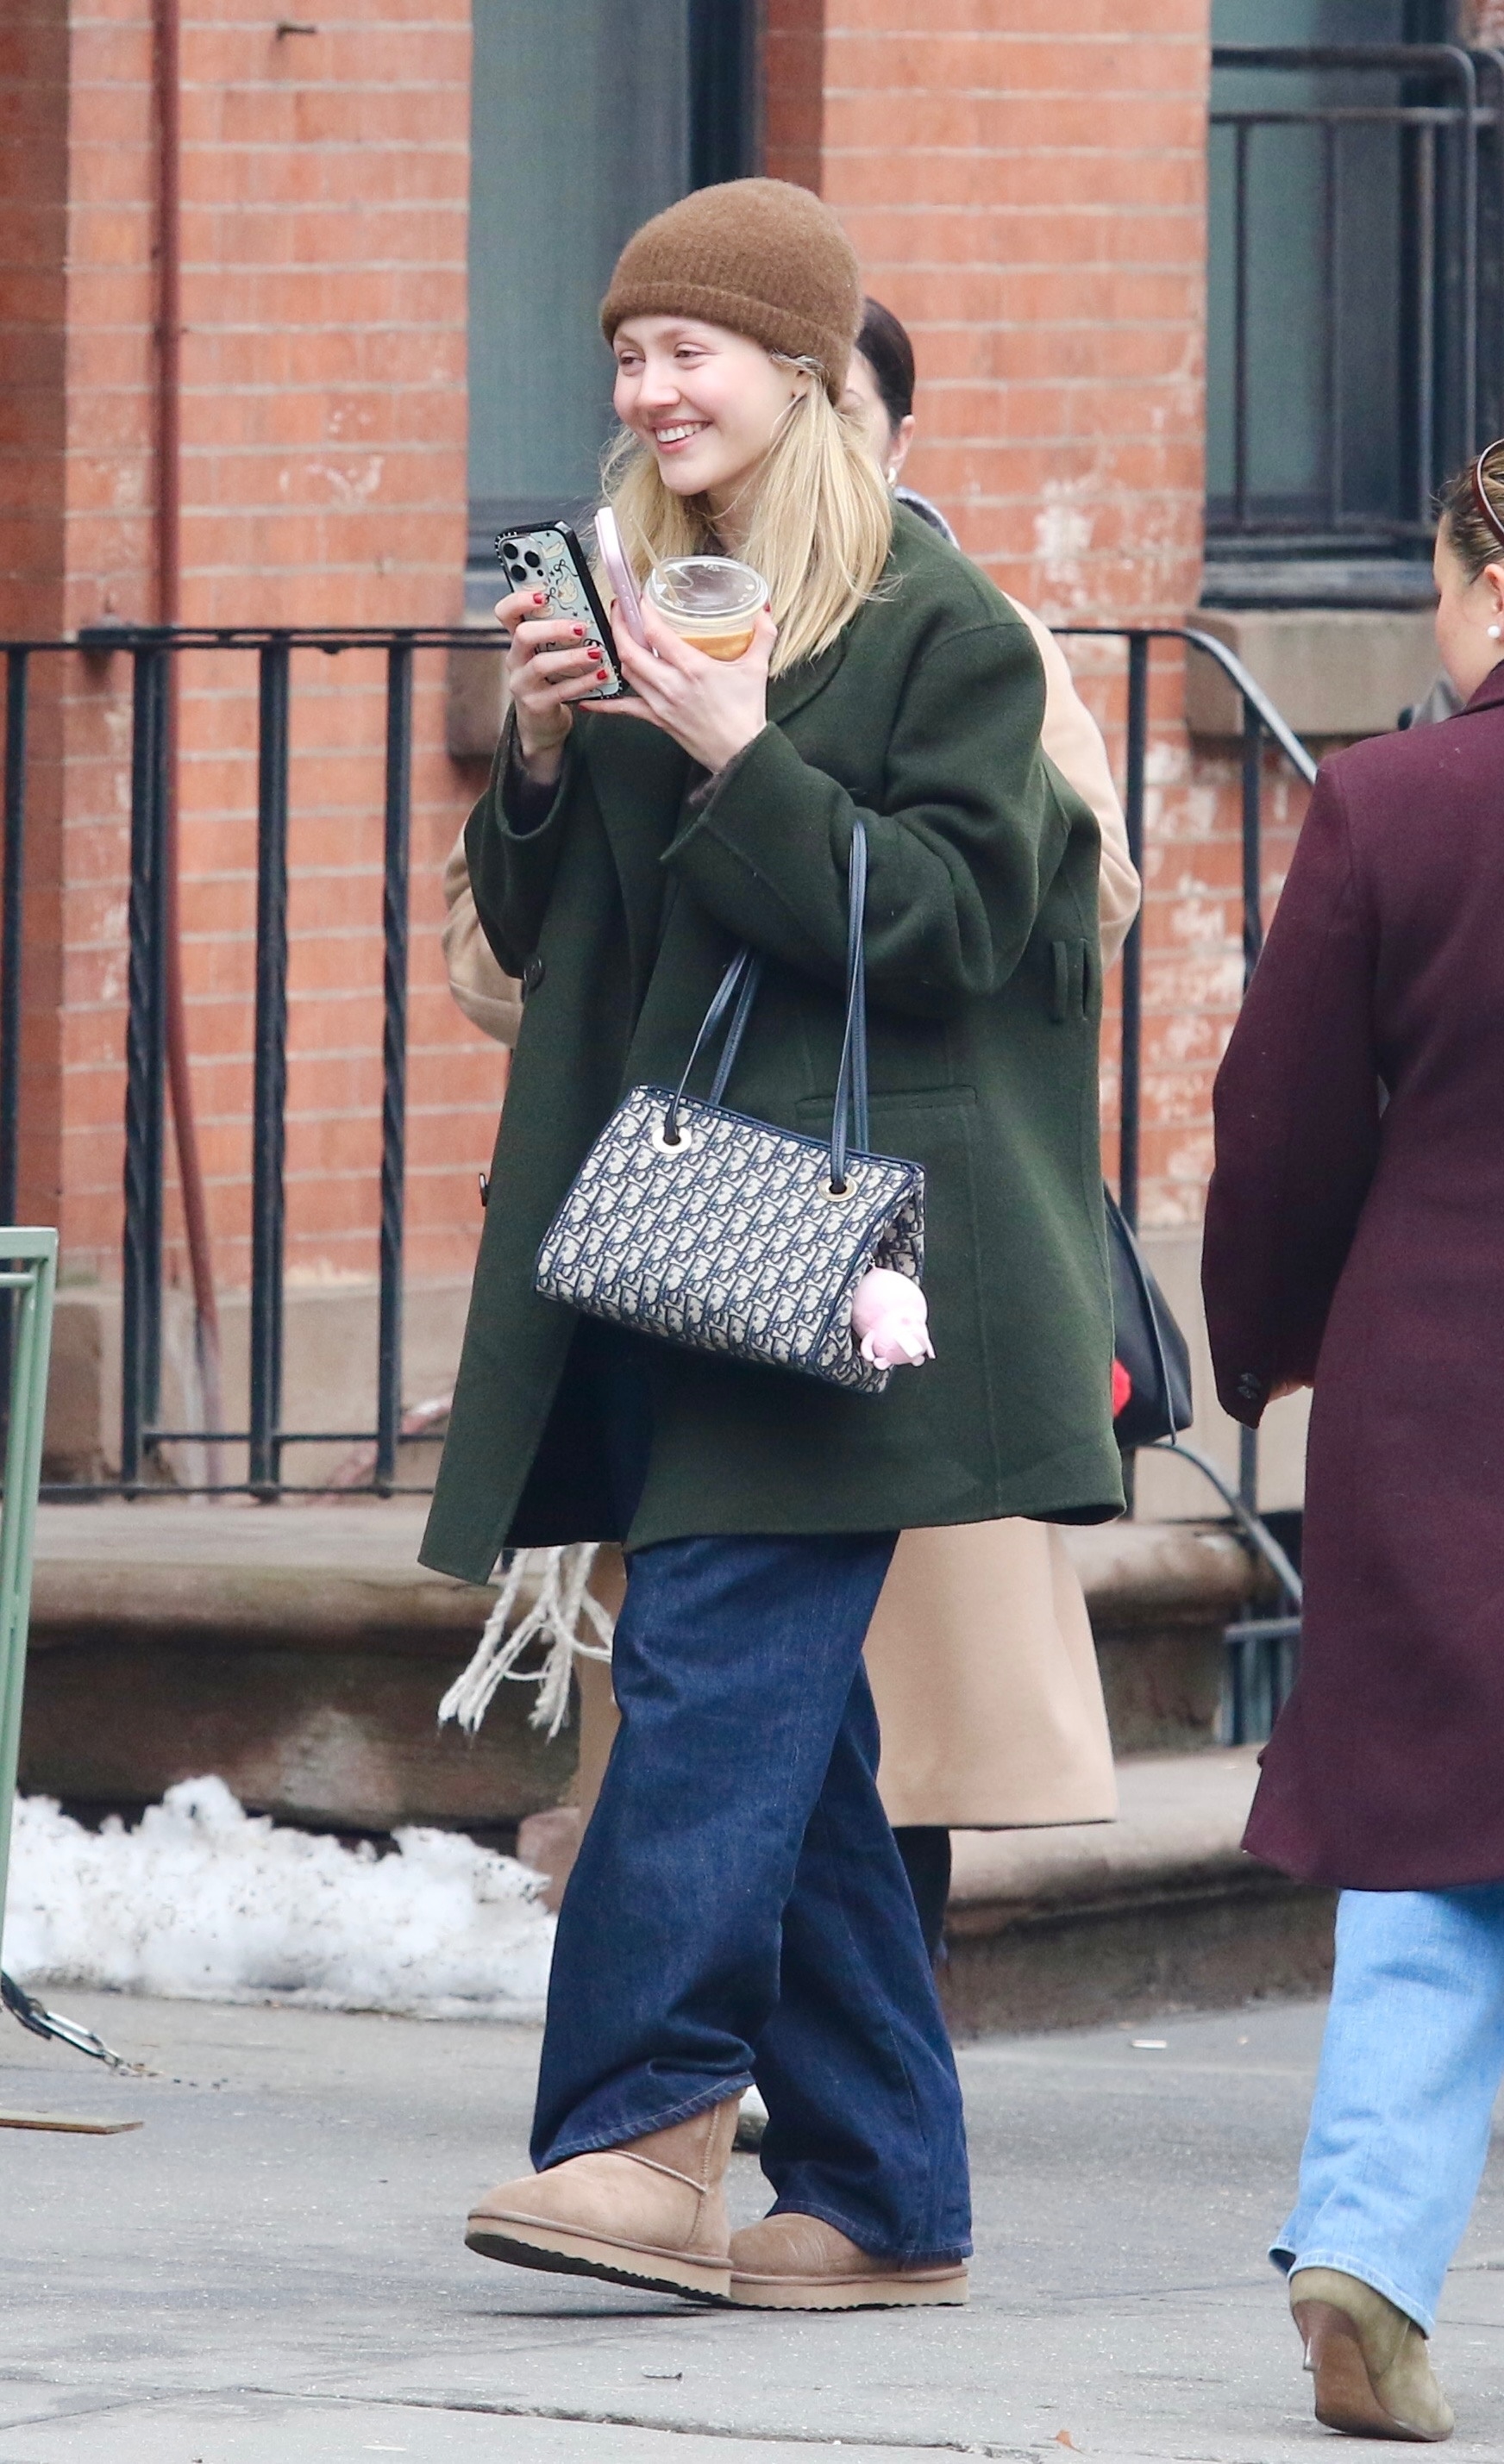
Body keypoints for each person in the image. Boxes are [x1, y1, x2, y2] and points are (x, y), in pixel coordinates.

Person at [422, 178, 1122, 2315]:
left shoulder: (938, 629)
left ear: (802, 378)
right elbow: (548, 942)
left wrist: (739, 755)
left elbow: (957, 932)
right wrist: (545, 752)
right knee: (793, 1738)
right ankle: (890, 2193)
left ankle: (645, 2128)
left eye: (688, 352)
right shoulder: (634, 594)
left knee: (722, 1674)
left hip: (850, 1259)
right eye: (627, 355)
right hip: (665, 1227)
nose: (646, 388)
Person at [1201, 441, 1504, 2442]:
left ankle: (1367, 2256)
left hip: (1438, 1368)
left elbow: (1281, 1124)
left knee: (1424, 1843)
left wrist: (1262, 1341)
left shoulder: (1391, 802)